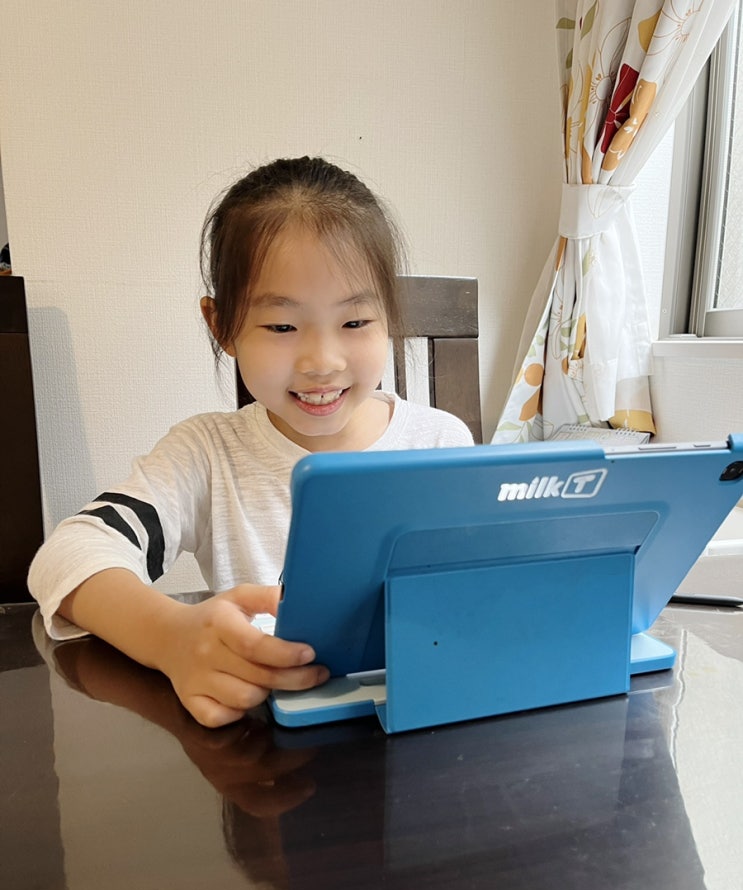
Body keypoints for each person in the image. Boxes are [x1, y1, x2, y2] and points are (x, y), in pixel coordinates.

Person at [29, 156, 474, 728]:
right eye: (282, 327)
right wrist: (170, 637)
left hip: (425, 729)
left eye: (355, 322)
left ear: (388, 314)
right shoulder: (207, 455)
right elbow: (66, 555)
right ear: (222, 326)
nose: (322, 362)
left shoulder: (441, 442)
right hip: (264, 748)